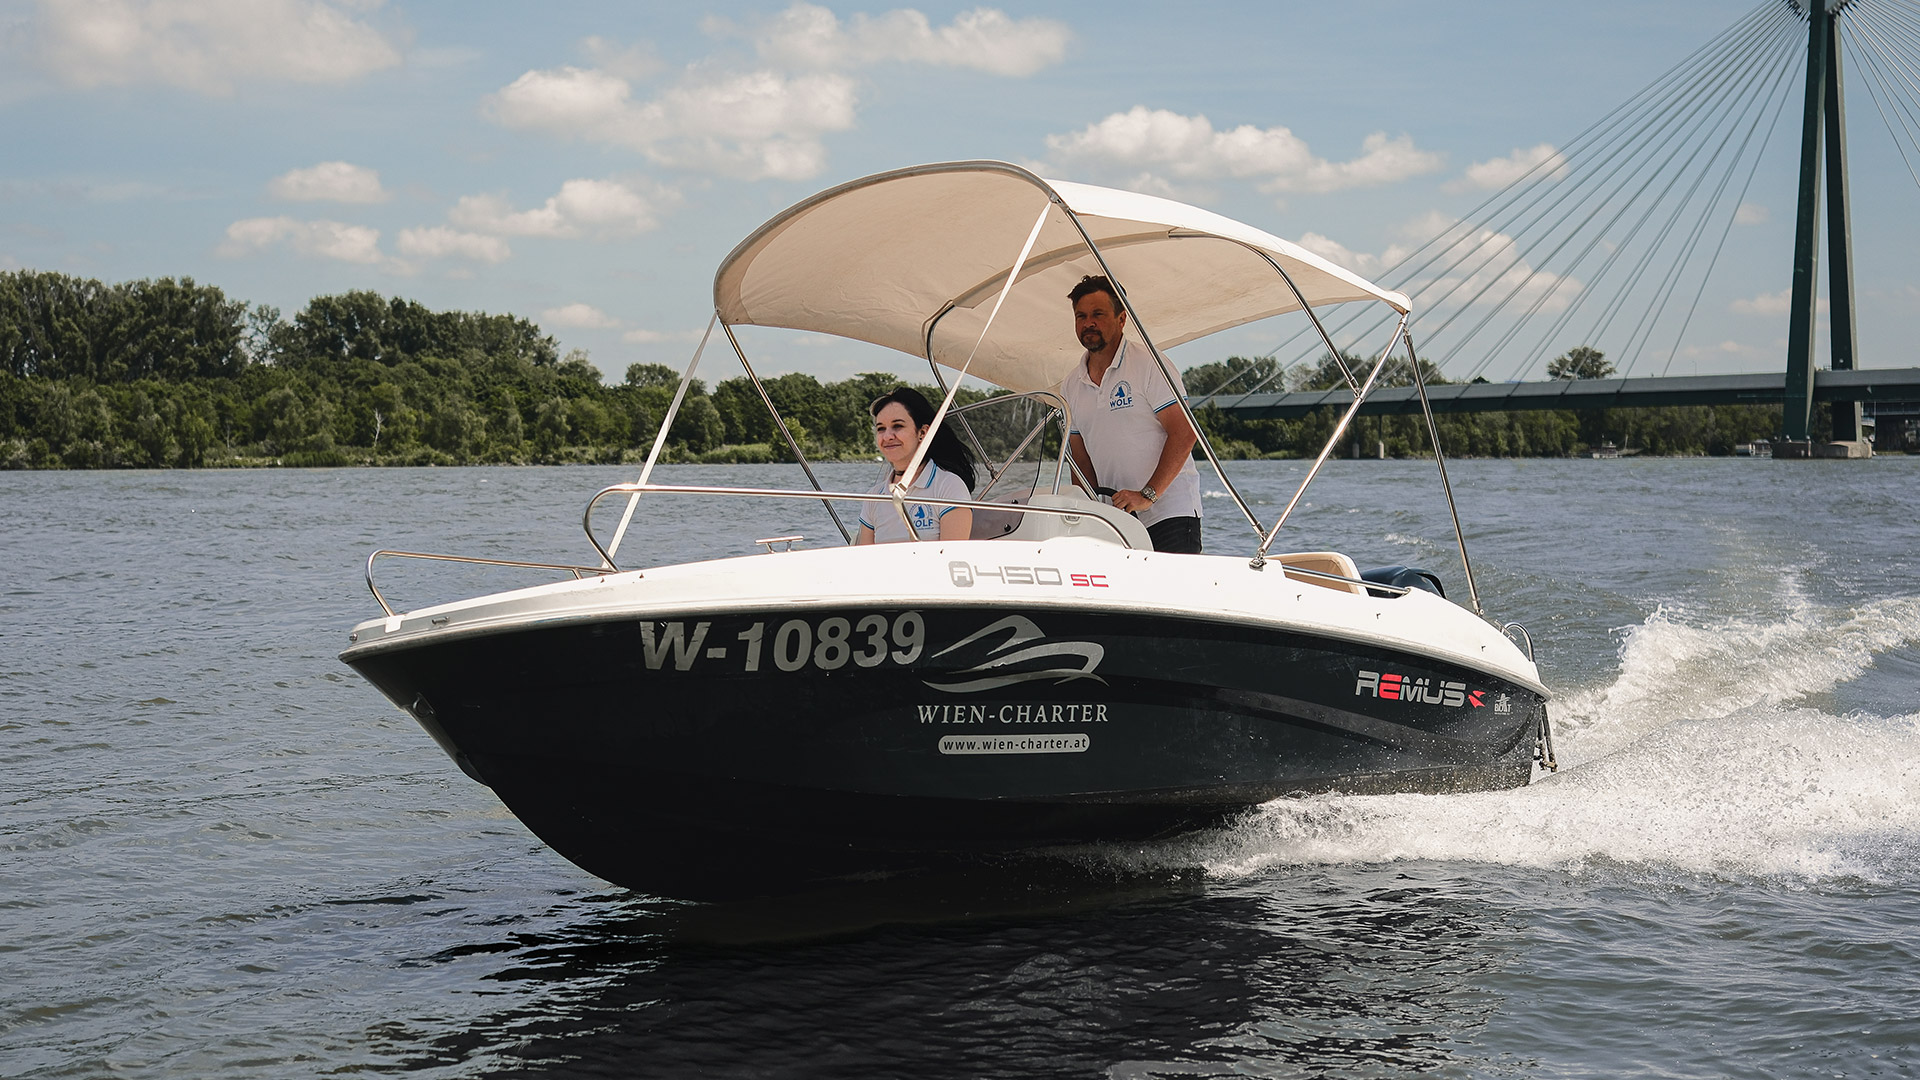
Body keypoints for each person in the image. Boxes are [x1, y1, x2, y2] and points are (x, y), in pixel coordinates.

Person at [1055, 275, 1203, 553]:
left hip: (1169, 514)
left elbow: (1184, 433)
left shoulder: (1149, 364)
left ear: (1121, 319)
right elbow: (1080, 457)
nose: (1089, 323)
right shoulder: (1071, 384)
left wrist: (1148, 495)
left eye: (1098, 314)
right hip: (1114, 521)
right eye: (1081, 316)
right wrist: (1088, 513)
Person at [854, 386, 976, 544]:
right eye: (881, 429)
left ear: (923, 433)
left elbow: (952, 559)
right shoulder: (874, 498)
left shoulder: (949, 486)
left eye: (898, 426)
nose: (888, 436)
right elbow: (865, 561)